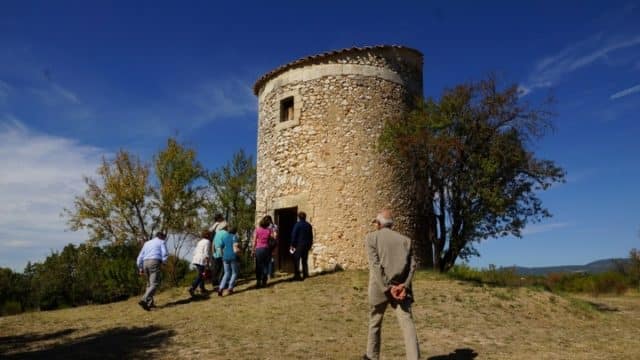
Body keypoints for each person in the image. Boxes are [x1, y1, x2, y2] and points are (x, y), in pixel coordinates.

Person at [363, 209, 419, 360]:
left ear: (379, 224)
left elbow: (375, 266)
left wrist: (387, 288)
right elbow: (412, 266)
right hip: (401, 289)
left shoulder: (371, 238)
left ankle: (371, 356)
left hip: (380, 288)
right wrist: (404, 286)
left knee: (375, 321)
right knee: (408, 325)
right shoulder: (406, 241)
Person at [136, 232, 169, 311]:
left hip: (145, 262)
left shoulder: (147, 243)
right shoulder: (161, 241)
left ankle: (150, 304)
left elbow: (140, 256)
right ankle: (144, 299)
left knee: (149, 284)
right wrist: (164, 262)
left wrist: (140, 268)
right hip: (154, 261)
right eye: (164, 238)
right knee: (154, 284)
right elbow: (165, 253)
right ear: (162, 237)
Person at [218, 226, 241, 296]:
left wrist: (222, 255)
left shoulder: (224, 237)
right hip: (233, 256)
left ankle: (220, 288)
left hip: (225, 256)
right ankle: (230, 288)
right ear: (235, 231)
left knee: (226, 273)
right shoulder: (234, 237)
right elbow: (236, 247)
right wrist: (239, 254)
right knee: (234, 273)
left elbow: (220, 247)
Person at [290, 211, 313, 281]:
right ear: (305, 217)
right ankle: (305, 274)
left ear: (298, 217)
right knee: (304, 260)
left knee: (296, 260)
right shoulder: (309, 225)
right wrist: (310, 245)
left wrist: (292, 244)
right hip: (306, 245)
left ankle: (297, 275)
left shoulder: (297, 225)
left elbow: (294, 235)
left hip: (298, 245)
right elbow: (311, 236)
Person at [189, 229, 212, 297]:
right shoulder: (207, 242)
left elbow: (195, 251)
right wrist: (207, 263)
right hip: (201, 259)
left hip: (196, 258)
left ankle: (202, 288)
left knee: (201, 274)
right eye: (210, 234)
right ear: (208, 235)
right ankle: (192, 288)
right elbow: (206, 252)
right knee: (201, 275)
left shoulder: (200, 241)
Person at [253, 217, 272, 288]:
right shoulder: (269, 230)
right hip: (266, 249)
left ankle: (258, 281)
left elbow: (254, 240)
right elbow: (271, 239)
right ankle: (264, 281)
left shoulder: (257, 230)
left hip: (259, 249)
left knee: (258, 266)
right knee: (265, 265)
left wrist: (252, 249)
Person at [209, 214, 226, 288]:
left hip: (213, 246)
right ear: (219, 218)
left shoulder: (213, 225)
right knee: (221, 264)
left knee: (215, 265)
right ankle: (219, 280)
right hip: (218, 246)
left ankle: (214, 281)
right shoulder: (221, 225)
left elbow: (210, 231)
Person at [212, 221, 229, 289]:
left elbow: (213, 243)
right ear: (225, 227)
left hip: (216, 253)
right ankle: (222, 283)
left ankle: (215, 283)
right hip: (223, 253)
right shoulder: (226, 233)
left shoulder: (217, 233)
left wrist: (213, 252)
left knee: (216, 269)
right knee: (223, 269)